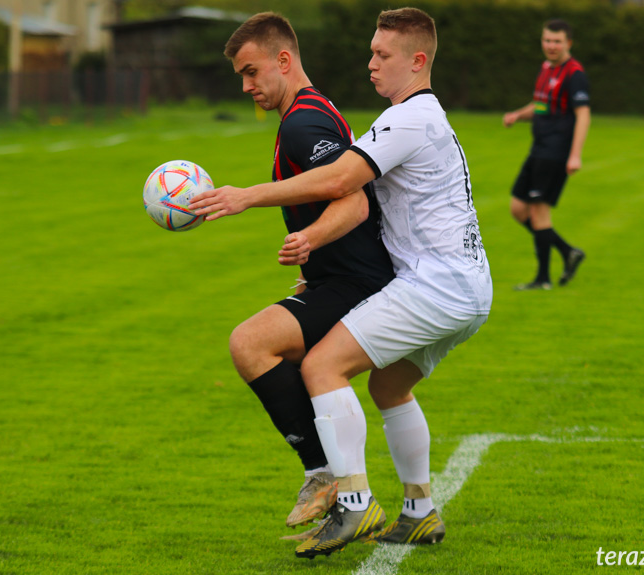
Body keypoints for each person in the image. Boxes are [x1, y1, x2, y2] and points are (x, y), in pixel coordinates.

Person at [190, 7, 491, 558]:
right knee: (388, 387)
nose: (370, 63)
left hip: (434, 286)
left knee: (322, 367)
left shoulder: (409, 118)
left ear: (417, 61)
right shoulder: (413, 117)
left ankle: (353, 502)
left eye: (383, 55)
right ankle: (420, 511)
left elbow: (344, 182)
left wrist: (245, 196)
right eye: (372, 51)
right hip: (467, 288)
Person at [218, 13, 395, 535]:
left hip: (355, 284)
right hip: (338, 278)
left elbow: (355, 204)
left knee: (250, 344)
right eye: (241, 77)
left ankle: (325, 476)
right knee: (308, 366)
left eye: (252, 72)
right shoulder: (308, 112)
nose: (247, 86)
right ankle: (353, 491)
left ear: (283, 60)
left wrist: (310, 240)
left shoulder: (303, 124)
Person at [503, 19, 590, 290]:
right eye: (547, 40)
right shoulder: (546, 69)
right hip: (538, 149)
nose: (551, 46)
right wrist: (519, 115)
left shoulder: (574, 73)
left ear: (568, 43)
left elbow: (583, 114)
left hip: (555, 152)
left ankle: (542, 279)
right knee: (518, 209)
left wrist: (575, 155)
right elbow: (542, 106)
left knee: (540, 214)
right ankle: (567, 252)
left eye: (557, 41)